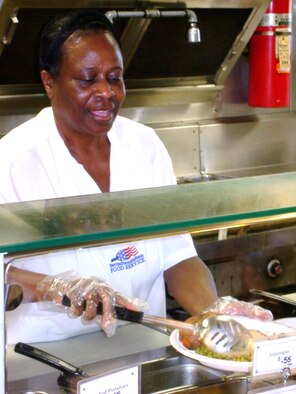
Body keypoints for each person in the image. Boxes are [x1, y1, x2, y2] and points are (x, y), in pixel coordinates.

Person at [0, 9, 271, 345]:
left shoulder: (146, 146)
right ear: (49, 82)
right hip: (42, 355)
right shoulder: (12, 160)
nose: (106, 92)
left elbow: (177, 255)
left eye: (114, 77)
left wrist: (211, 312)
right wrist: (52, 287)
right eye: (87, 79)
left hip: (143, 345)